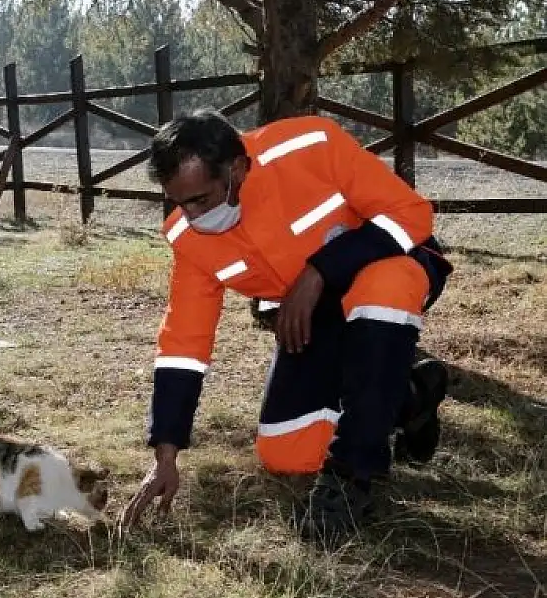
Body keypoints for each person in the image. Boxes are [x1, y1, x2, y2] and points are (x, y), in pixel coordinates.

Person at [118, 109, 454, 540]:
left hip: (392, 261)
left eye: (199, 200)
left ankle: (353, 475)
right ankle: (410, 396)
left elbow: (410, 214)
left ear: (236, 170)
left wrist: (319, 272)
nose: (190, 215)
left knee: (384, 287)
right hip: (315, 313)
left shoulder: (308, 144)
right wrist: (166, 454)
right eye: (178, 202)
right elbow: (184, 343)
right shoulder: (189, 239)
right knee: (285, 450)